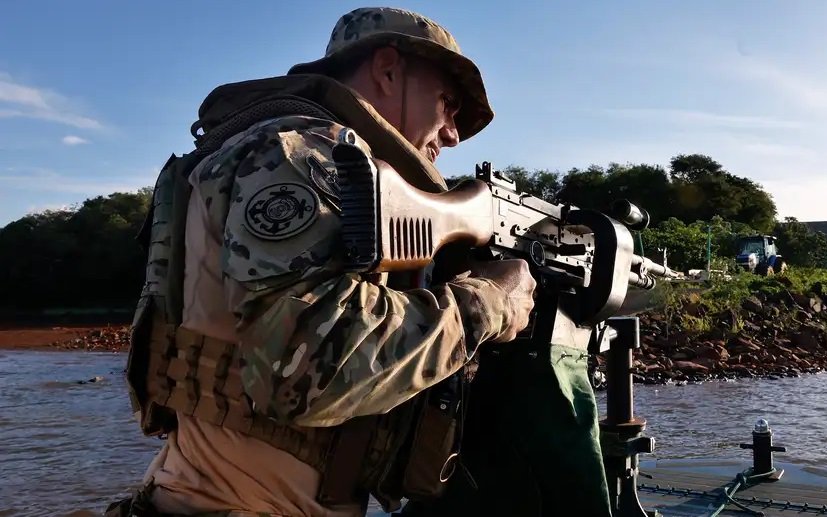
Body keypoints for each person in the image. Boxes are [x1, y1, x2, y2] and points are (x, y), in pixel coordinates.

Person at [107, 7, 537, 517]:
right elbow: (308, 369)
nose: (452, 135)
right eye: (447, 102)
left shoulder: (307, 159)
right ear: (388, 70)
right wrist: (490, 303)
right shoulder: (301, 155)